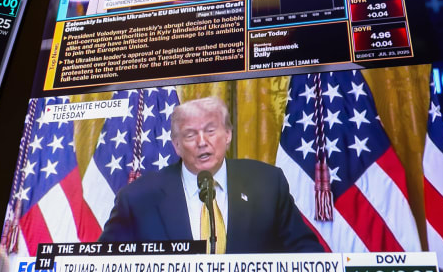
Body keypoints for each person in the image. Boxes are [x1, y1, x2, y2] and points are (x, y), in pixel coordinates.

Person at [98, 97, 323, 253]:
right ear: (176, 145)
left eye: (210, 131)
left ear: (227, 135)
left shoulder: (267, 184)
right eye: (190, 134)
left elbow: (307, 253)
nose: (202, 142)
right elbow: (106, 265)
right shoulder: (138, 197)